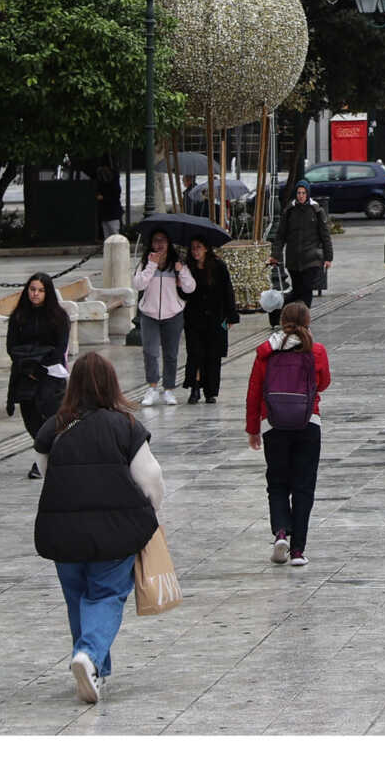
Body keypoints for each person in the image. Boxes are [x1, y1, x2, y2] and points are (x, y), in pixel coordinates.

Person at [34, 353, 166, 705]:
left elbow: (47, 473)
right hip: (114, 531)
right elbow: (150, 477)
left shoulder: (54, 427)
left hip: (63, 531)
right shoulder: (126, 426)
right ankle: (89, 655)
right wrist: (149, 511)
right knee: (106, 596)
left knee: (77, 600)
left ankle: (96, 671)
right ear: (112, 384)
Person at [247, 303, 332, 567]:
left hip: (273, 425)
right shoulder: (316, 351)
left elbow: (253, 392)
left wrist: (253, 429)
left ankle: (281, 531)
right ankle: (297, 550)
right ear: (308, 321)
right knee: (304, 486)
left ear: (281, 321)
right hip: (309, 423)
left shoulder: (265, 353)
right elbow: (324, 382)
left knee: (277, 483)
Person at [6, 272, 74, 475]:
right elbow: (12, 347)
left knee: (50, 416)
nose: (35, 294)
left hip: (50, 374)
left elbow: (59, 348)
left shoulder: (59, 317)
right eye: (32, 289)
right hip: (24, 374)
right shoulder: (18, 316)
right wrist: (29, 367)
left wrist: (39, 365)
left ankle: (45, 458)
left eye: (40, 290)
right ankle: (45, 452)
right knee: (30, 417)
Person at [131, 225, 194, 406]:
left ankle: (168, 389)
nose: (159, 244)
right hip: (149, 314)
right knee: (150, 352)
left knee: (171, 354)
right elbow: (138, 284)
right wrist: (151, 265)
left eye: (162, 241)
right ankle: (152, 388)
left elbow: (191, 287)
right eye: (155, 241)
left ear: (168, 243)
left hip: (173, 314)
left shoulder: (176, 264)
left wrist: (181, 270)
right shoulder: (145, 263)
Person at [180, 235, 240, 405]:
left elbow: (228, 291)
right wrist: (179, 284)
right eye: (192, 248)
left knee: (213, 355)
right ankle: (195, 387)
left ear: (206, 248)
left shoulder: (218, 266)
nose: (195, 251)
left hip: (215, 317)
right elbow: (185, 294)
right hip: (194, 317)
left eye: (198, 247)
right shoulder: (187, 268)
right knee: (195, 353)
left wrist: (231, 315)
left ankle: (210, 391)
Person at [271, 182, 332, 311]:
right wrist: (276, 255)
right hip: (293, 259)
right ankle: (278, 313)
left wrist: (328, 258)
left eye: (303, 193)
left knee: (306, 290)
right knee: (297, 291)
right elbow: (280, 236)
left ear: (308, 194)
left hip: (311, 259)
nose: (301, 196)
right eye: (299, 193)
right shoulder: (290, 211)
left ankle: (304, 320)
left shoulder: (316, 210)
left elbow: (325, 236)